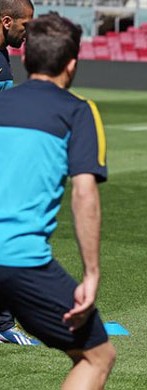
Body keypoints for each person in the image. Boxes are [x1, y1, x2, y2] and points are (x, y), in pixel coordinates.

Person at [0, 12, 116, 388]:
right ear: (72, 64)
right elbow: (84, 195)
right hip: (19, 260)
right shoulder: (79, 112)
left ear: (23, 57)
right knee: (97, 356)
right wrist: (92, 274)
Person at [0, 0, 39, 346]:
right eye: (25, 26)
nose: (28, 33)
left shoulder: (3, 56)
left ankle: (2, 323)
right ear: (7, 21)